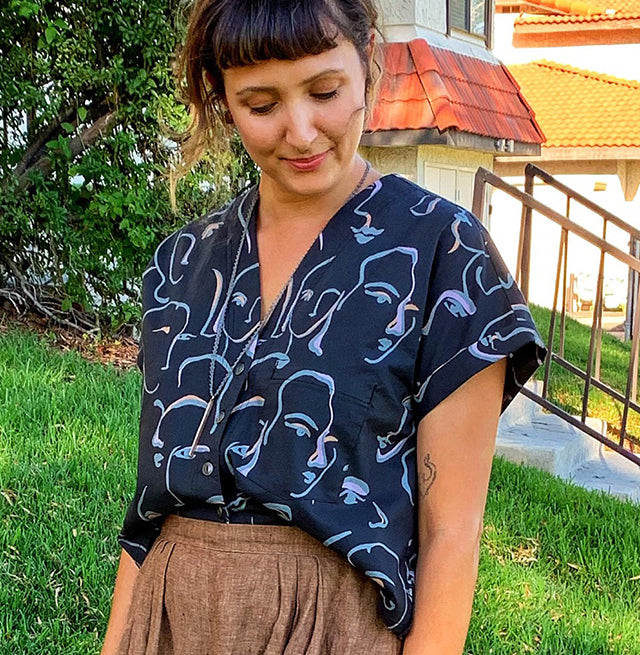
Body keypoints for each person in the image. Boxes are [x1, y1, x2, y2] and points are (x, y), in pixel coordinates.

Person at [99, 0, 547, 653]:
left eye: (325, 92)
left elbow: (451, 534)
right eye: (261, 105)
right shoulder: (181, 263)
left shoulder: (444, 254)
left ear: (367, 65)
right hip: (169, 620)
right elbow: (149, 516)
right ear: (222, 99)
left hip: (332, 628)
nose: (301, 131)